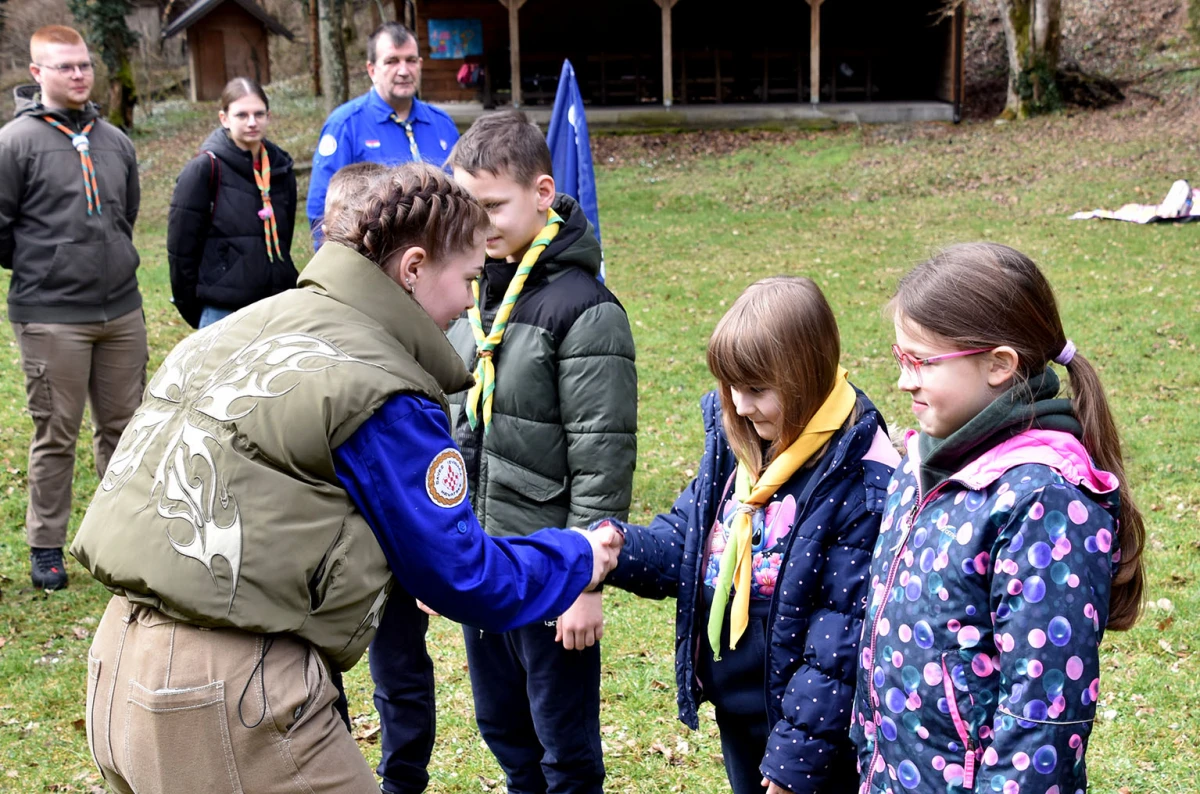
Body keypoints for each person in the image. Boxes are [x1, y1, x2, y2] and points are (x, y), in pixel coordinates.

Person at [70, 163, 625, 794]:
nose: (467, 304)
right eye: (467, 279)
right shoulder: (377, 385)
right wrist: (576, 554)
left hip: (116, 667)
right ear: (414, 268)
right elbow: (462, 573)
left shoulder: (240, 329)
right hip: (223, 692)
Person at [850, 242, 1146, 794]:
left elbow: (1043, 717)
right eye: (900, 358)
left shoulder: (1045, 501)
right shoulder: (920, 464)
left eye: (921, 363)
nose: (903, 382)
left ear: (999, 365)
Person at [593, 276, 898, 794]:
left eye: (756, 389)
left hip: (810, 730)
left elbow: (840, 639)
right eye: (729, 387)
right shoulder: (740, 450)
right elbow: (688, 544)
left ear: (805, 376)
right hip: (740, 706)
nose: (738, 403)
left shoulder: (860, 476)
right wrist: (617, 549)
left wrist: (793, 760)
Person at [442, 110, 638, 794]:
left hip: (551, 568)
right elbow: (462, 437)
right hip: (486, 564)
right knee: (505, 730)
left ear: (543, 192)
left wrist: (586, 582)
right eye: (469, 207)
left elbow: (602, 459)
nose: (480, 222)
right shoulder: (476, 302)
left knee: (564, 748)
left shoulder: (585, 310)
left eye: (493, 206)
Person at [0, 24, 147, 591]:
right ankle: (46, 547)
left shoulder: (116, 141)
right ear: (38, 74)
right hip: (50, 314)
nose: (79, 74)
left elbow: (126, 216)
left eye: (84, 65)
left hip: (121, 311)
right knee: (56, 432)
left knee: (124, 429)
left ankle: (119, 539)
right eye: (65, 67)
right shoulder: (16, 143)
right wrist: (50, 266)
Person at [323, 158, 441, 794]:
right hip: (327, 542)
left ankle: (404, 779)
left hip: (390, 535)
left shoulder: (407, 329)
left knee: (401, 666)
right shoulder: (311, 319)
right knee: (318, 674)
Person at [167, 77, 298, 329]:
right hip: (223, 311)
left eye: (259, 114)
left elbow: (285, 236)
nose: (252, 122)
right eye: (241, 115)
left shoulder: (281, 168)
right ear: (224, 118)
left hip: (276, 306)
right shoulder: (204, 169)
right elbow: (181, 249)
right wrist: (192, 307)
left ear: (269, 116)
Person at [307, 22, 460, 232]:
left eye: (411, 60)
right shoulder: (345, 125)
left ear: (420, 64)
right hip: (374, 258)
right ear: (372, 69)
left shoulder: (442, 124)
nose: (404, 71)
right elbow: (320, 210)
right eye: (392, 61)